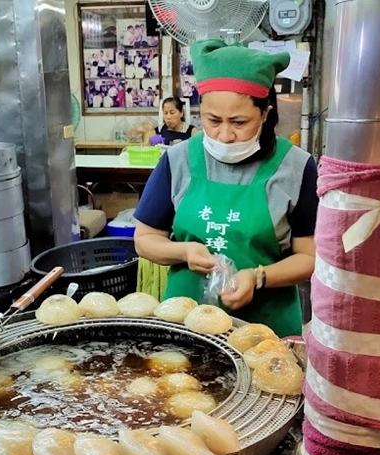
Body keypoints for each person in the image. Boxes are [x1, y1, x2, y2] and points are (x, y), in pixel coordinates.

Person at [133, 39, 319, 337]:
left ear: (265, 114)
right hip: (186, 325)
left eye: (239, 122)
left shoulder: (295, 167)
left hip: (266, 331)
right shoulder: (177, 159)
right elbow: (144, 239)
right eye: (213, 120)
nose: (225, 135)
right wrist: (184, 251)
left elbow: (309, 258)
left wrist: (258, 276)